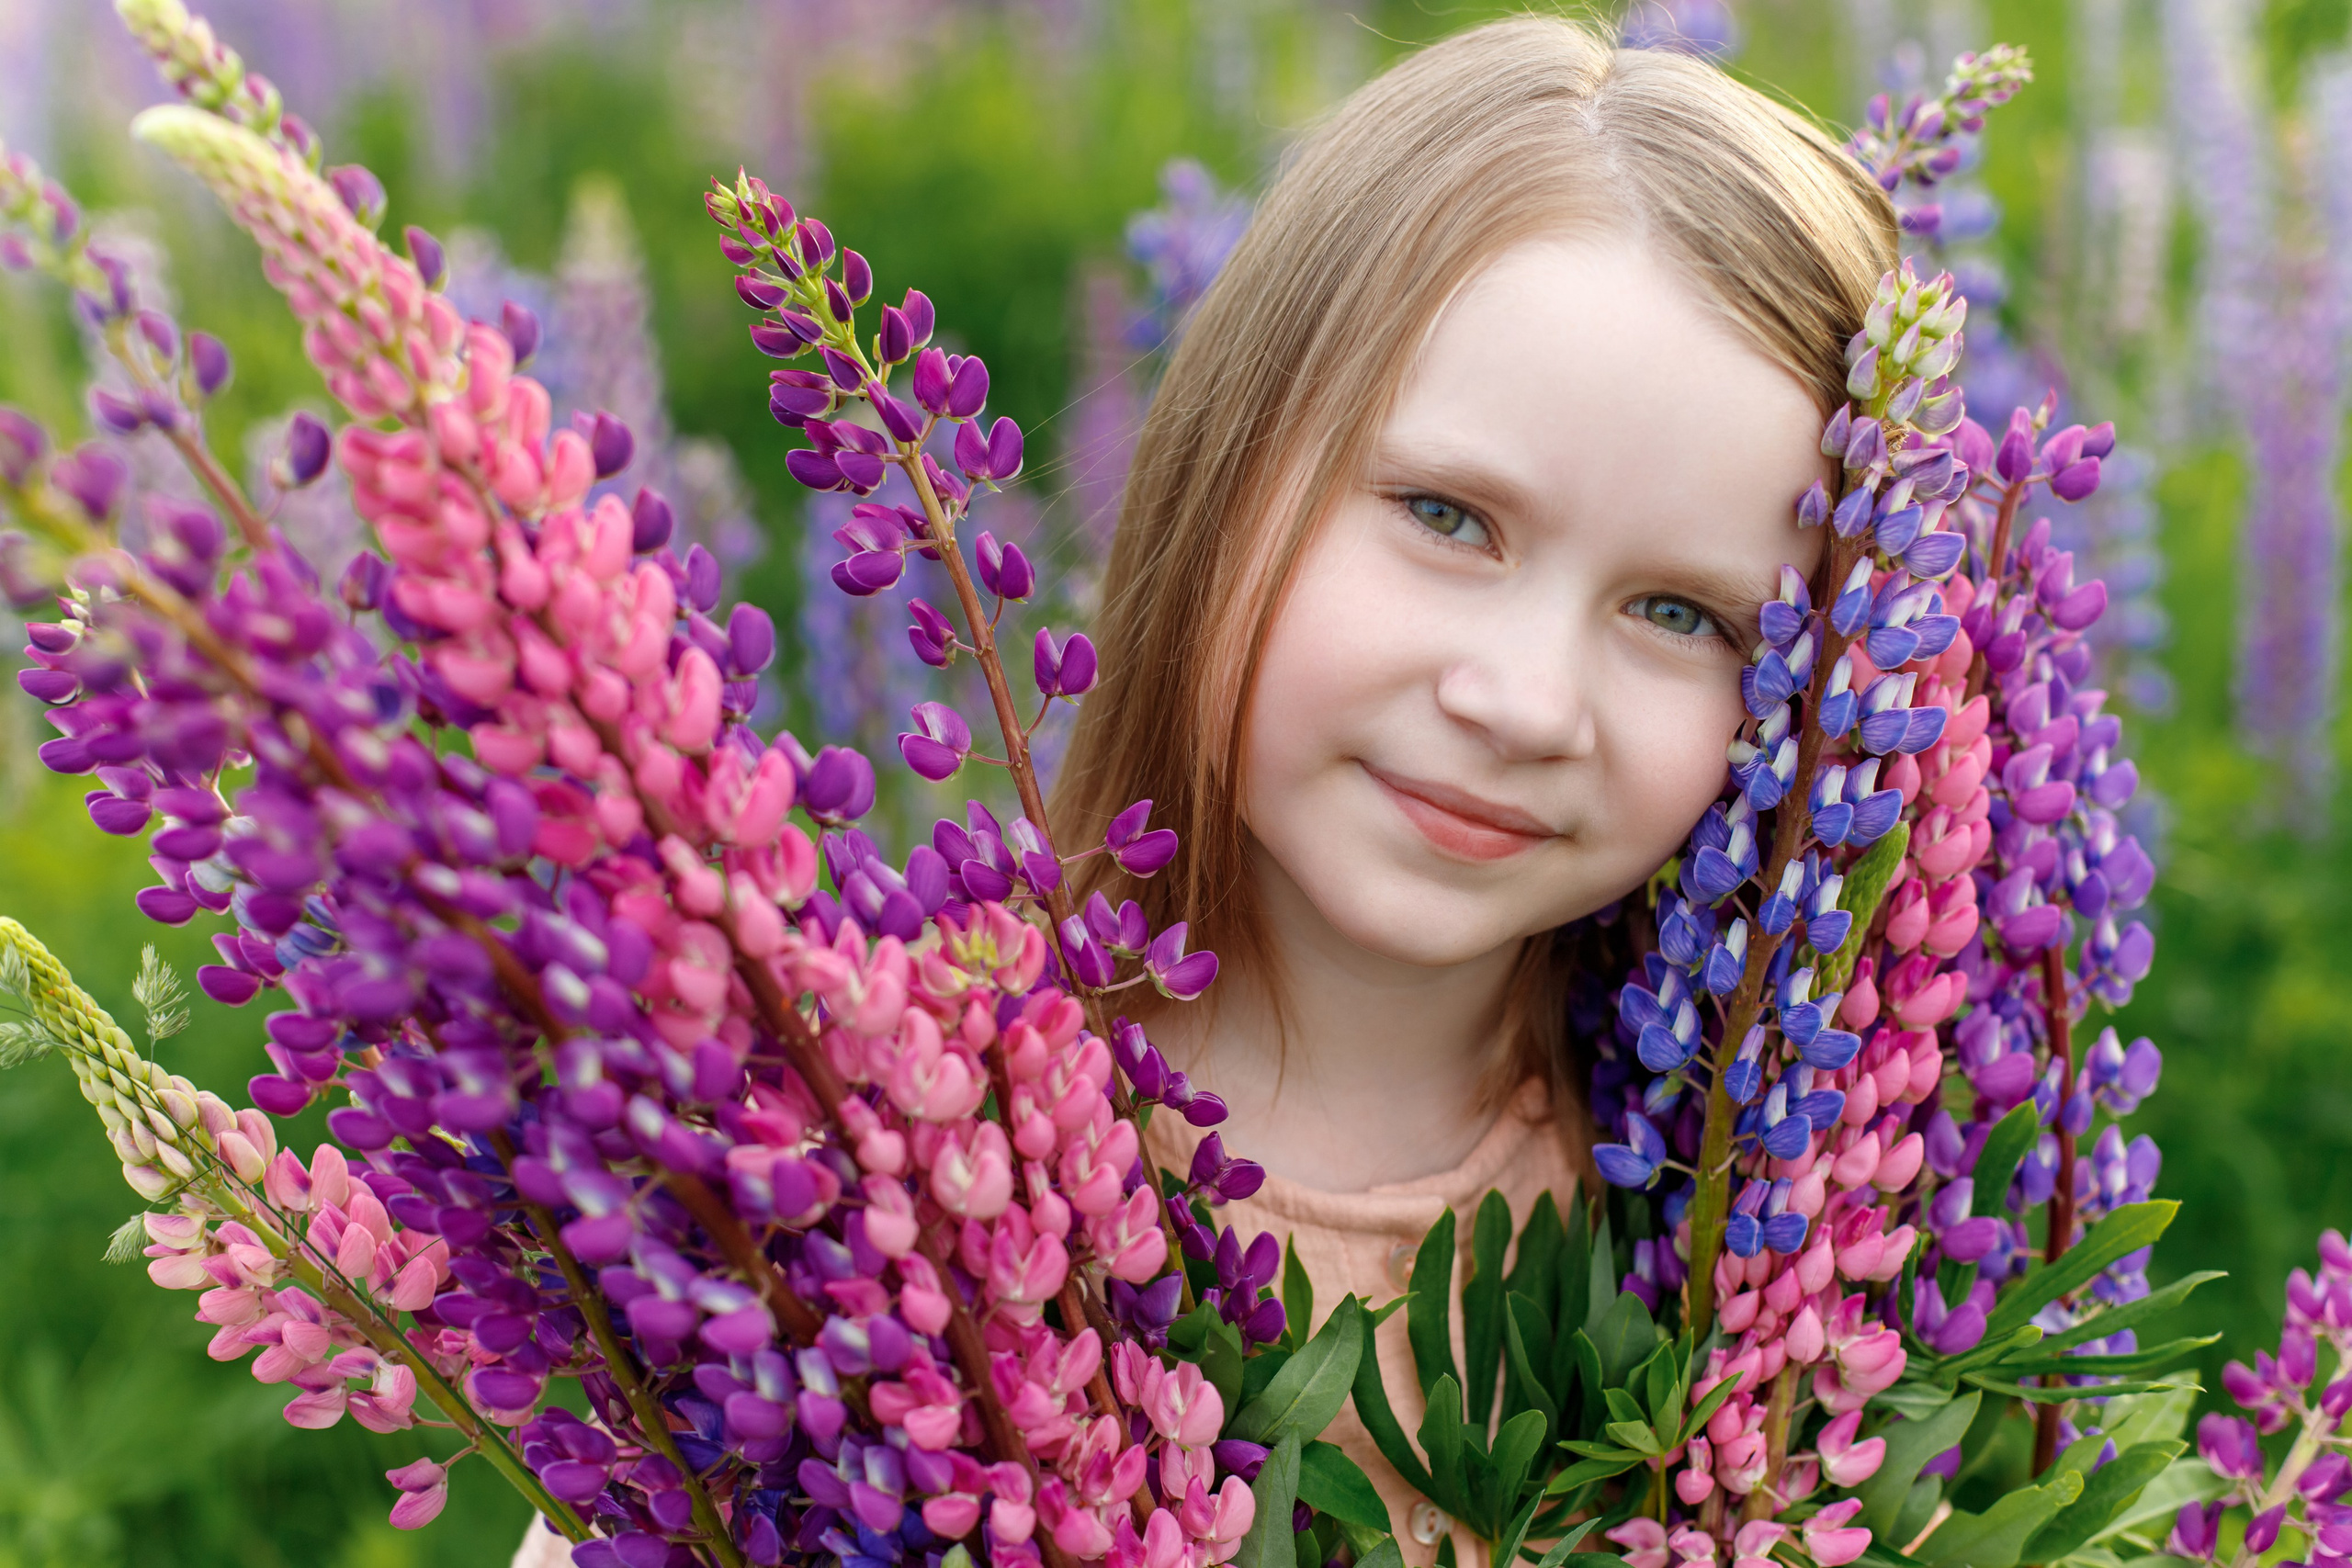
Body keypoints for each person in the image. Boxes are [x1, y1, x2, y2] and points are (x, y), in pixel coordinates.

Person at [514, 14, 1894, 1567]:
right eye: (1447, 514)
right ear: (1224, 470)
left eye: (1683, 615)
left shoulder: (1765, 1199)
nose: (1522, 702)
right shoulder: (855, 1149)